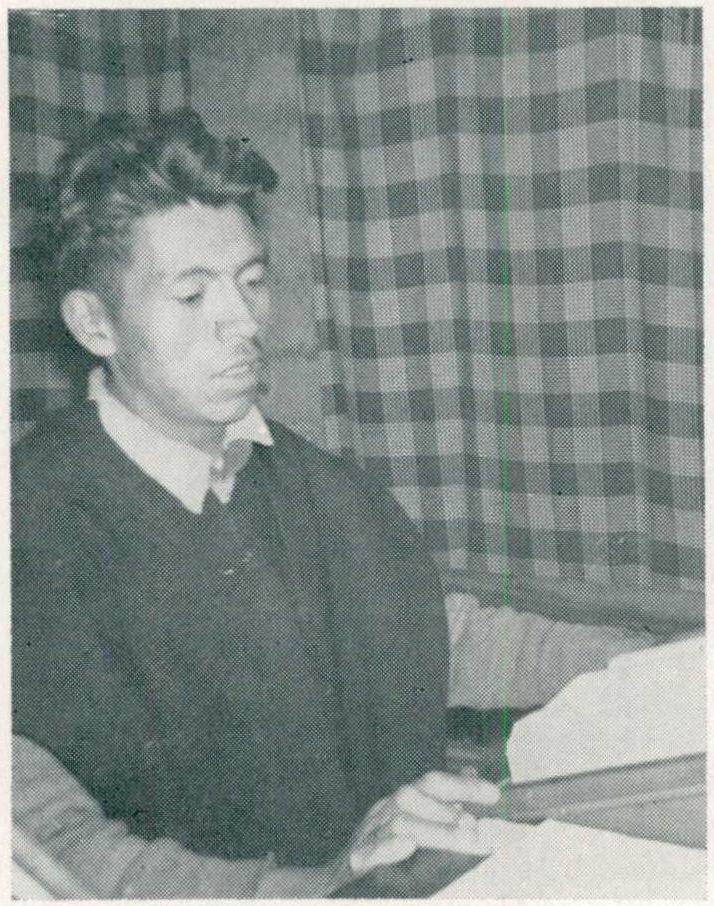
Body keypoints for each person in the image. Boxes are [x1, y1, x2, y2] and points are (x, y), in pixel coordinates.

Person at [11, 110, 653, 898]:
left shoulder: (314, 482)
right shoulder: (30, 525)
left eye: (253, 282)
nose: (244, 322)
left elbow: (439, 637)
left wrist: (659, 666)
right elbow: (59, 851)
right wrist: (324, 884)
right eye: (193, 294)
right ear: (94, 323)